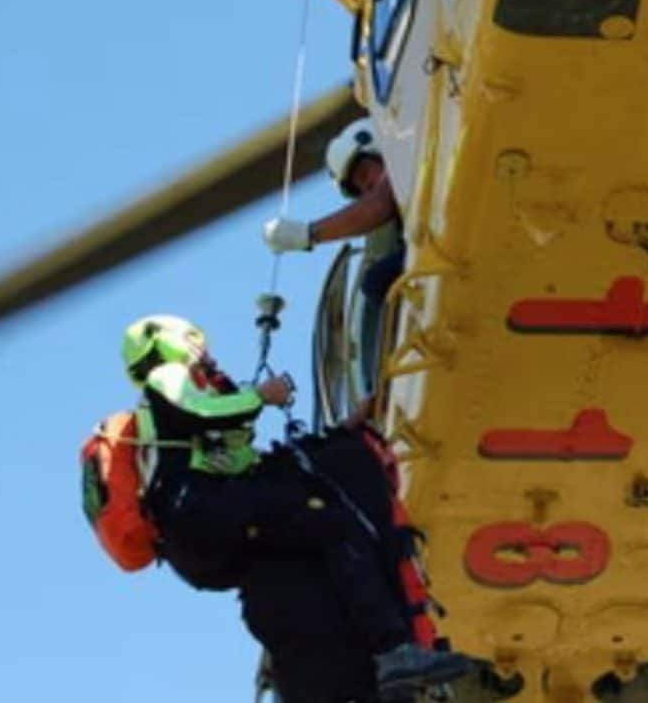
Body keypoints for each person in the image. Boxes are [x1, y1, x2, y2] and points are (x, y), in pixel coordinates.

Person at [116, 314, 469, 699]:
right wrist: (260, 397)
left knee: (296, 556)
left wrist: (342, 432)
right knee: (333, 525)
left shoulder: (164, 428)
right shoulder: (166, 376)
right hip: (202, 509)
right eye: (195, 342)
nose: (204, 352)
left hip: (200, 538)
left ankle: (372, 669)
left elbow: (242, 460)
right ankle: (392, 651)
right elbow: (196, 412)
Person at [263, 118, 405, 388]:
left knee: (379, 279)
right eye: (362, 189)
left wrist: (308, 234)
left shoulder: (412, 162)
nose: (369, 189)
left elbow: (378, 205)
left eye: (366, 175)